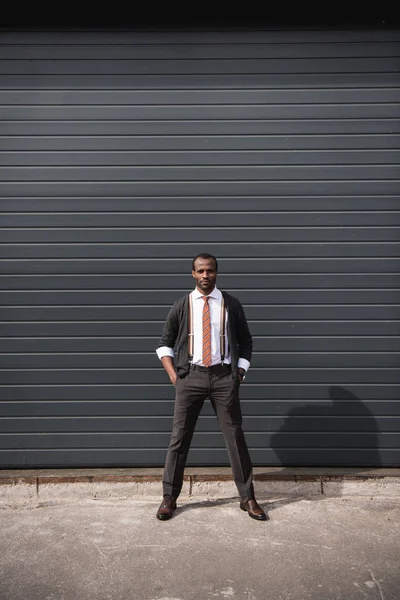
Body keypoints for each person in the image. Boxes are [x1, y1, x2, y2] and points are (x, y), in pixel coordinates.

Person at [155, 252, 267, 521]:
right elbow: (163, 344)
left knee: (235, 439)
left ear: (217, 273)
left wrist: (239, 372)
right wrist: (174, 376)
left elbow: (247, 342)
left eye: (210, 271)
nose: (206, 275)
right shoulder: (182, 305)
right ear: (193, 274)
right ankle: (169, 497)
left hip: (223, 379)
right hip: (190, 376)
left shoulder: (231, 304)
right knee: (179, 439)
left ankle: (248, 497)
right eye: (201, 271)